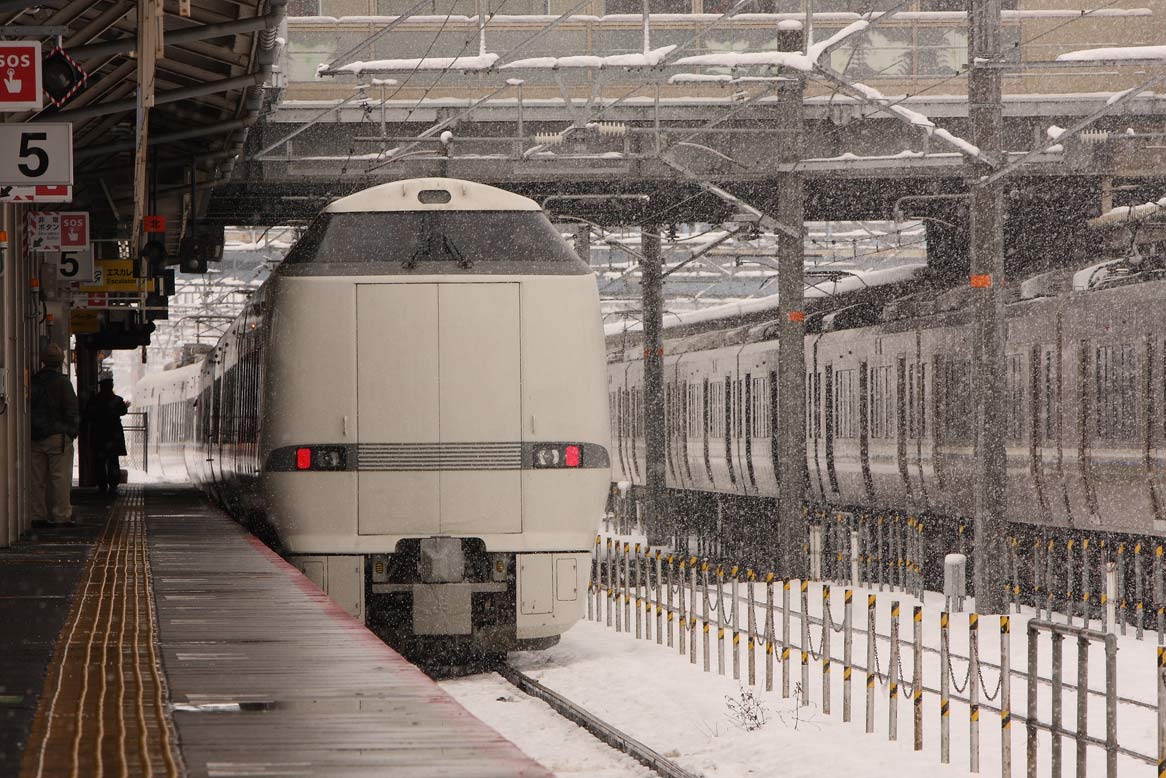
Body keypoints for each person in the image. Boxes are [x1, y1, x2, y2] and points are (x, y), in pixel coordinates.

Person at [30, 343, 79, 525]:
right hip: (58, 437)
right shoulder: (63, 383)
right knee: (60, 478)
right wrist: (70, 433)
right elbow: (72, 409)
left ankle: (37, 514)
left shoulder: (34, 381)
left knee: (36, 479)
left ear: (43, 361)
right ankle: (61, 515)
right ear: (60, 362)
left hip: (35, 437)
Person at [85, 377, 129, 496]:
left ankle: (102, 485)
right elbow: (123, 411)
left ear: (101, 387)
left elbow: (88, 415)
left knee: (99, 462)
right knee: (113, 461)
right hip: (114, 436)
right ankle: (113, 485)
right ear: (111, 387)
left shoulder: (94, 400)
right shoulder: (117, 400)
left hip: (99, 435)